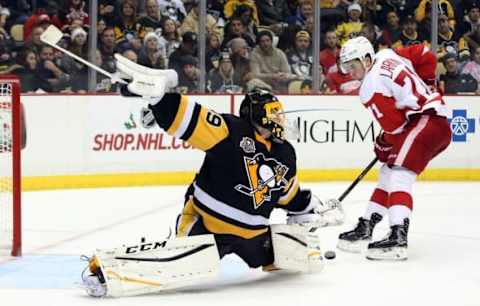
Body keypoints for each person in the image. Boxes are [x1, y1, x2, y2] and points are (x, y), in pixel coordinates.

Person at [81, 56, 344, 297]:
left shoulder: (285, 153)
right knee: (181, 264)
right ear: (257, 115)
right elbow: (190, 119)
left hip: (252, 235)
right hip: (208, 227)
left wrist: (311, 209)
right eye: (275, 113)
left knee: (293, 257)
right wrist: (159, 99)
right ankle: (106, 268)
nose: (280, 118)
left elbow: (289, 196)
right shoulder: (231, 131)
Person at [337, 36, 451, 260]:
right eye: (347, 68)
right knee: (388, 172)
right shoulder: (389, 54)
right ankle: (367, 225)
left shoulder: (369, 87)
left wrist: (383, 142)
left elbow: (396, 126)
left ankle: (398, 237)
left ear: (367, 59)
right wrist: (427, 84)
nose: (350, 72)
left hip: (425, 122)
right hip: (432, 121)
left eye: (353, 66)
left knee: (399, 176)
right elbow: (425, 52)